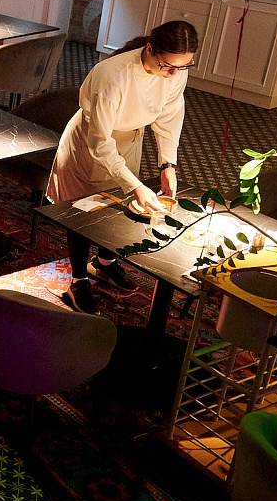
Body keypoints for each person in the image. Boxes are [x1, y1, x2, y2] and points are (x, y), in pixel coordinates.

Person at [46, 20, 197, 313]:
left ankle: (104, 263)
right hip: (90, 145)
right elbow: (100, 143)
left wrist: (168, 164)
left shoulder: (175, 71)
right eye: (168, 66)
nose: (174, 74)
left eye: (183, 67)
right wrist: (136, 185)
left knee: (117, 206)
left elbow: (169, 116)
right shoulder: (112, 75)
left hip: (129, 141)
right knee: (84, 211)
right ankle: (78, 281)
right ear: (150, 49)